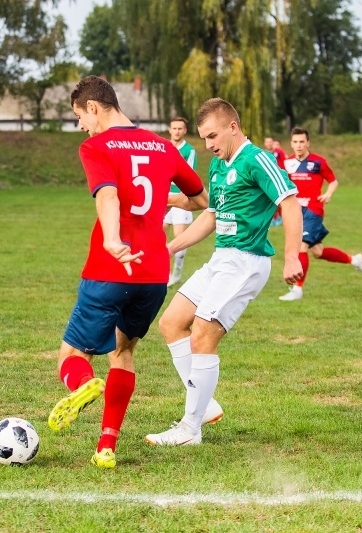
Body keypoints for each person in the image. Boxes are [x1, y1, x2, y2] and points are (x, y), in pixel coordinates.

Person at [47, 76, 208, 468]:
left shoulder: (96, 146)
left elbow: (107, 194)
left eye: (80, 117)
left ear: (94, 107)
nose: (81, 126)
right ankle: (106, 446)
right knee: (123, 351)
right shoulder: (163, 146)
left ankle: (84, 384)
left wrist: (112, 238)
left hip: (111, 268)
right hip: (153, 274)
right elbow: (200, 198)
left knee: (71, 354)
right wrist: (166, 199)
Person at [145, 98, 304, 446]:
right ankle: (205, 405)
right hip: (221, 260)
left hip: (246, 262)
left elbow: (290, 204)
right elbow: (211, 216)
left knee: (203, 334)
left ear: (233, 127)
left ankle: (190, 429)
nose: (208, 144)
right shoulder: (218, 166)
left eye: (213, 136)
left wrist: (292, 256)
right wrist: (169, 248)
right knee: (171, 323)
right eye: (204, 138)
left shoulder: (257, 159)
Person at [278, 127, 362, 302]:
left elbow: (333, 181)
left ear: (308, 143)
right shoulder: (287, 163)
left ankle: (297, 290)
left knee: (301, 247)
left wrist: (328, 193)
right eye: (295, 142)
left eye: (302, 142)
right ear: (291, 144)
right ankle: (354, 260)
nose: (298, 145)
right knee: (318, 252)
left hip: (313, 210)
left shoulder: (318, 162)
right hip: (297, 212)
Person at [165, 117, 197, 287]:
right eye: (174, 128)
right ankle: (164, 273)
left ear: (185, 131)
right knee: (159, 236)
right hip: (164, 196)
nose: (177, 131)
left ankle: (177, 273)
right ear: (169, 130)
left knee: (179, 238)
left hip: (181, 197)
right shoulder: (163, 147)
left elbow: (189, 174)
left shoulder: (189, 151)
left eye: (180, 128)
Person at [263, 137, 286, 226]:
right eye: (267, 142)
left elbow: (285, 163)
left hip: (280, 179)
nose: (269, 144)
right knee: (270, 199)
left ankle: (281, 217)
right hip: (268, 180)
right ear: (265, 143)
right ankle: (273, 218)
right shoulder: (263, 154)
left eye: (270, 142)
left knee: (281, 198)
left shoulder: (279, 152)